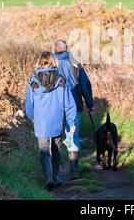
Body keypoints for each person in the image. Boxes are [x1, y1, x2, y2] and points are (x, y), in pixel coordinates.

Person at [25, 51, 77, 191]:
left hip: (41, 121)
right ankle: (54, 176)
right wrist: (71, 122)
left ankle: (48, 179)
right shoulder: (61, 79)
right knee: (56, 148)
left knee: (43, 150)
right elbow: (69, 103)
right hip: (57, 120)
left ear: (40, 62)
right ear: (53, 62)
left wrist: (31, 117)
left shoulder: (33, 81)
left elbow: (29, 104)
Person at [53, 39, 94, 180]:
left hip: (55, 107)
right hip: (74, 105)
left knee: (55, 137)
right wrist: (89, 104)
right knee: (72, 136)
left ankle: (55, 173)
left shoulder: (50, 63)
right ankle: (74, 172)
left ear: (54, 50)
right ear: (67, 49)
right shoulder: (75, 63)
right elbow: (85, 84)